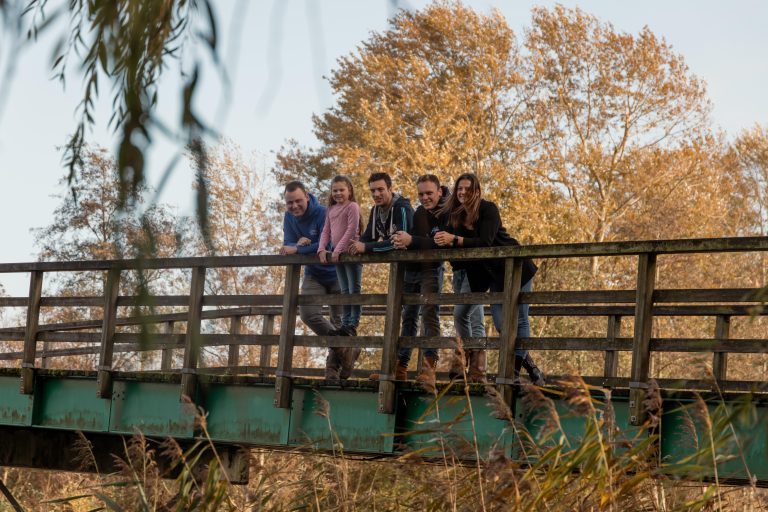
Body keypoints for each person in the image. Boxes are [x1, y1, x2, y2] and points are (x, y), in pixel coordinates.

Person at [434, 173, 545, 385]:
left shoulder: (488, 209)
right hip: (491, 274)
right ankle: (530, 367)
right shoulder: (457, 215)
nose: (463, 192)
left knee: (518, 320)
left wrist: (454, 240)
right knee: (498, 322)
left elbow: (485, 242)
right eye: (459, 189)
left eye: (467, 189)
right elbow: (448, 240)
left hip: (514, 267)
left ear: (477, 191)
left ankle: (511, 372)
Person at [348, 172, 418, 381]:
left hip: (419, 268)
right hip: (400, 272)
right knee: (395, 315)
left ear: (390, 188)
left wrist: (366, 247)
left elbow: (398, 242)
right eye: (372, 191)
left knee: (413, 317)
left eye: (380, 189)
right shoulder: (376, 211)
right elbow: (367, 237)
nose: (376, 194)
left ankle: (403, 368)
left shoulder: (402, 208)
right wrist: (352, 246)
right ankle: (392, 369)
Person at [280, 181, 348, 380]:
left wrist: (299, 248)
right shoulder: (289, 217)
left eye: (298, 201)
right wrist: (295, 244)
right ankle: (346, 348)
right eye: (289, 203)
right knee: (308, 314)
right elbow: (287, 245)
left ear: (307, 198)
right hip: (314, 274)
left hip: (337, 273)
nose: (294, 206)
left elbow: (329, 243)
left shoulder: (324, 213)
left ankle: (333, 371)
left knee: (340, 322)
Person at [391, 174, 451, 386]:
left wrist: (412, 240)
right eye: (421, 194)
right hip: (412, 268)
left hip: (432, 269)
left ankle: (428, 369)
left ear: (439, 192)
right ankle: (400, 366)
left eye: (429, 193)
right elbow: (415, 240)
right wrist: (402, 241)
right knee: (408, 316)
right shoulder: (418, 213)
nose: (425, 198)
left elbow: (440, 243)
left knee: (429, 314)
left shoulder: (448, 213)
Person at [317, 175, 364, 379]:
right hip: (337, 255)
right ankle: (346, 322)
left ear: (349, 191)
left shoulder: (352, 207)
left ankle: (352, 322)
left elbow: (351, 229)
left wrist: (339, 249)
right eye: (334, 190)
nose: (337, 193)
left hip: (351, 253)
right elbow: (326, 231)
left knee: (354, 288)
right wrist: (321, 249)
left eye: (341, 190)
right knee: (344, 290)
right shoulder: (331, 210)